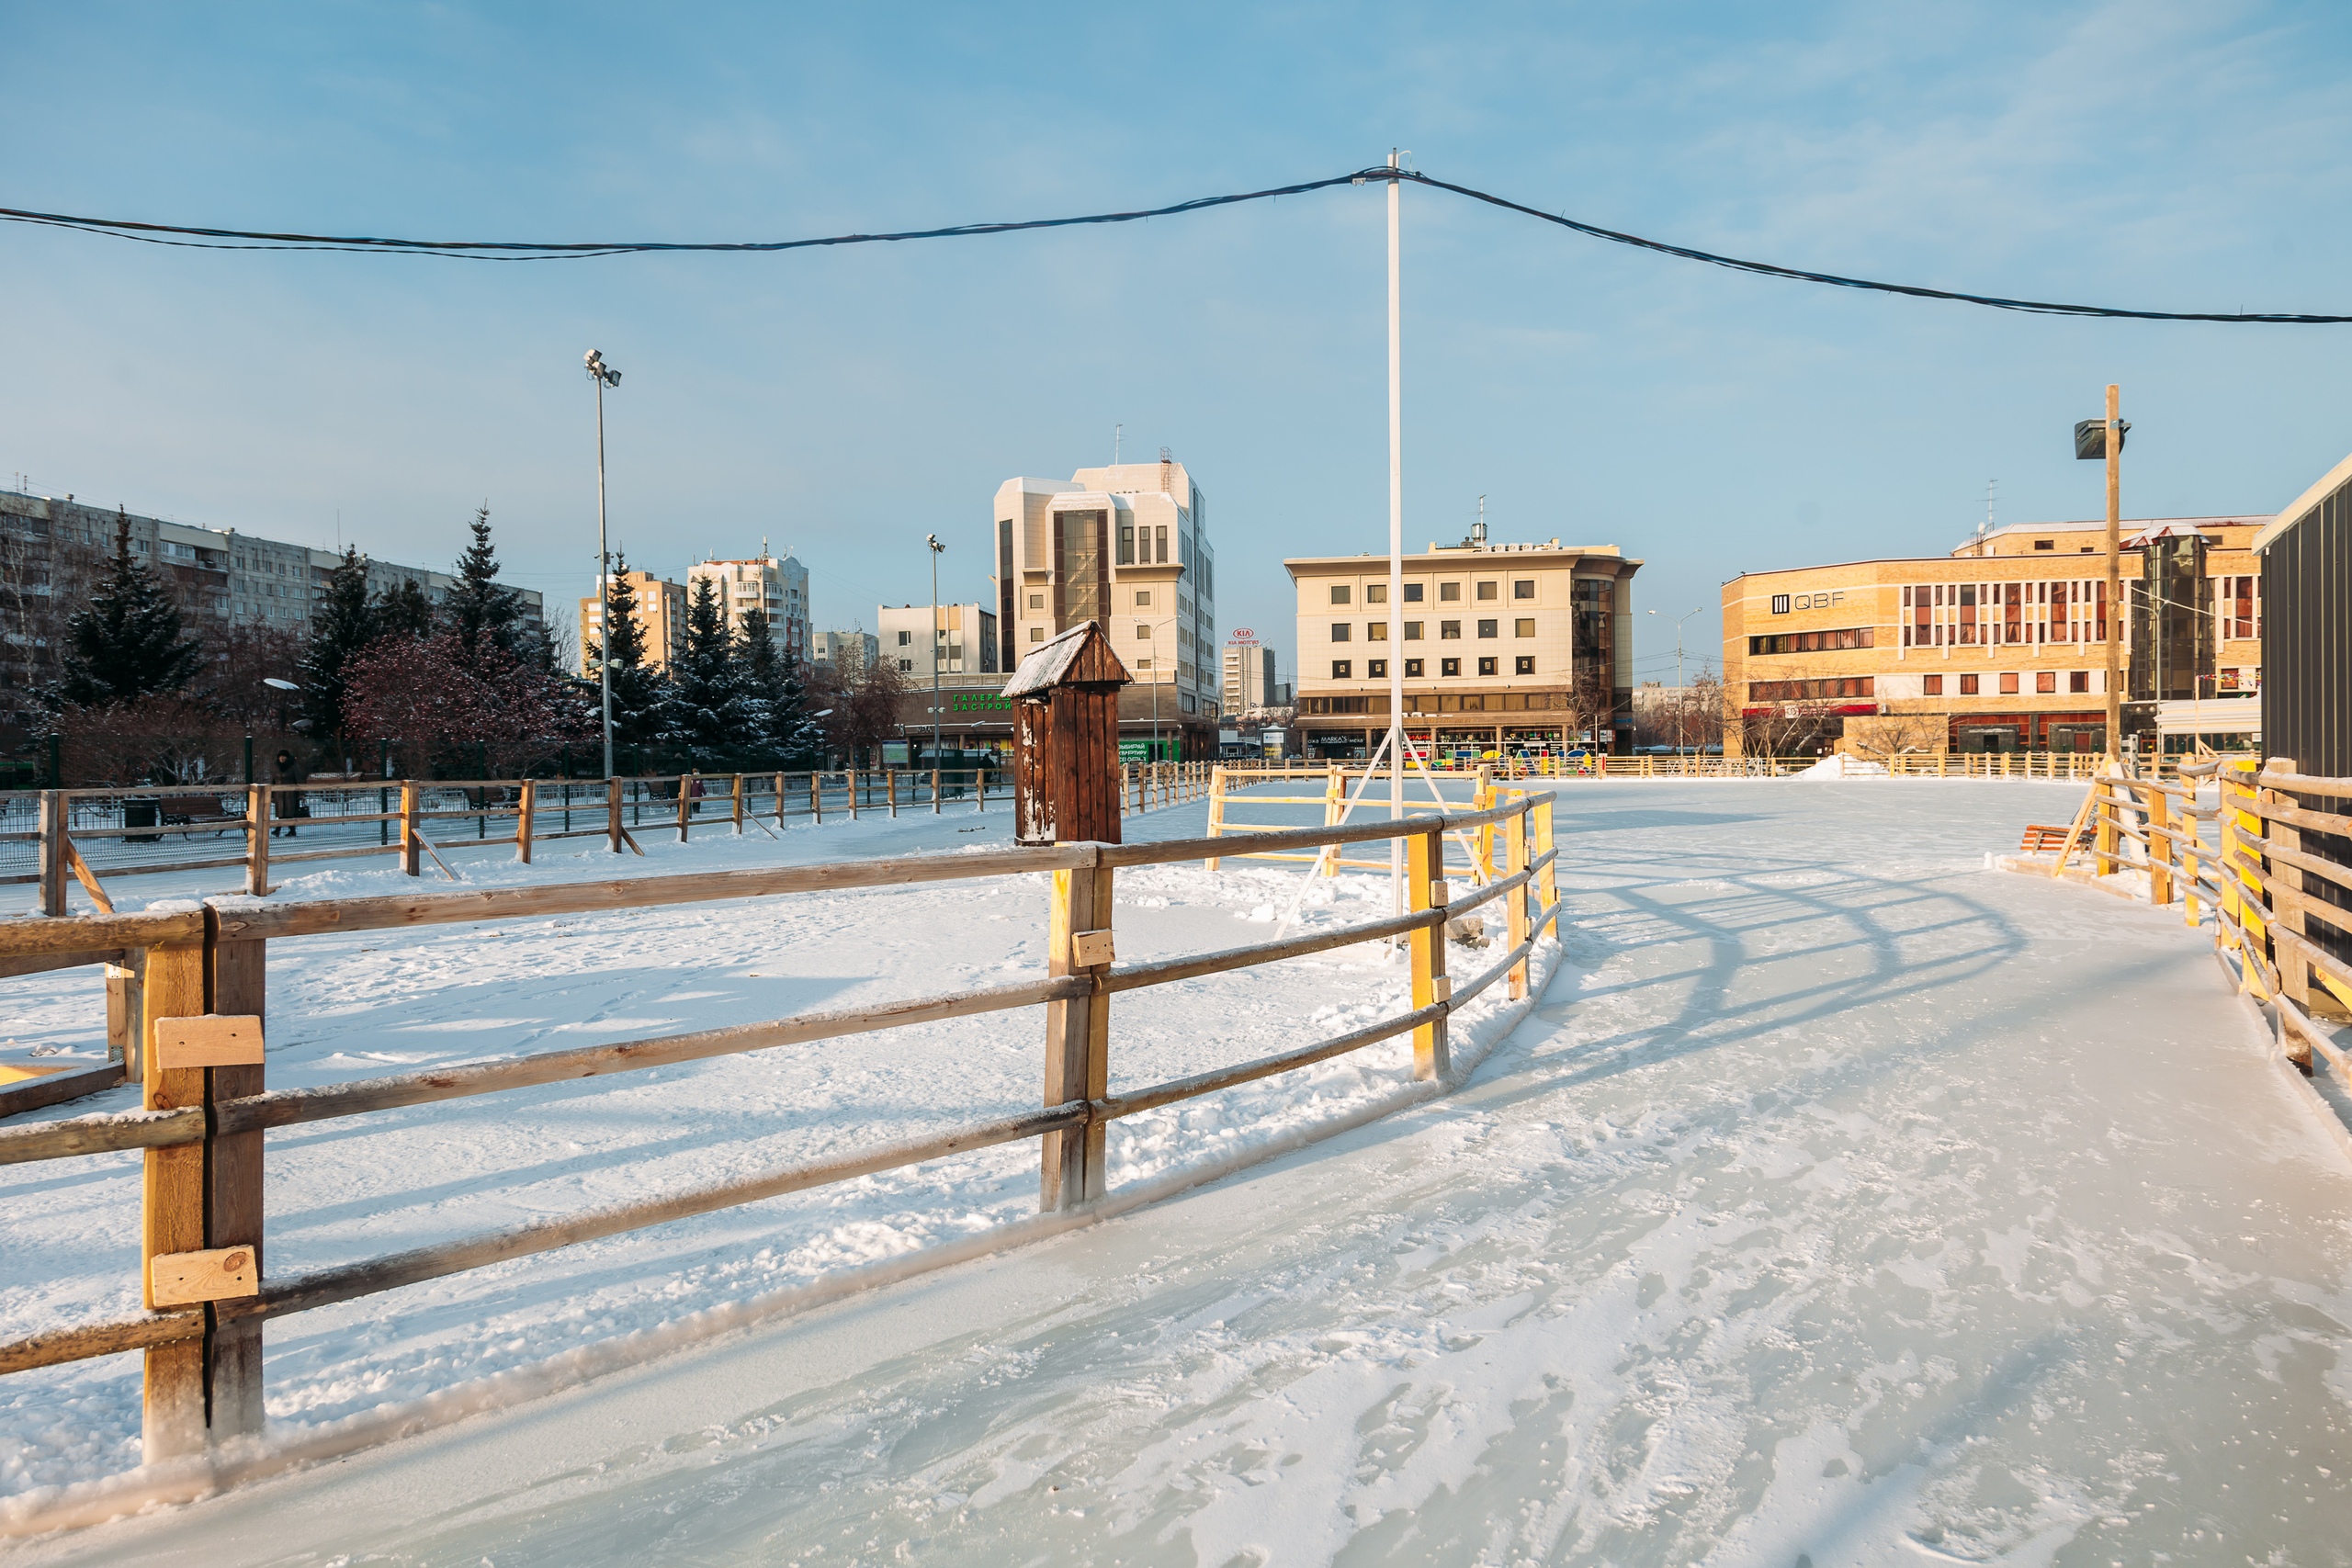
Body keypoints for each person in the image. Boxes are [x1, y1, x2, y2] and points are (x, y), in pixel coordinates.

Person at [272, 749, 306, 838]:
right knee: (281, 813)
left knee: (289, 813)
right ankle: (289, 830)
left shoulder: (293, 765)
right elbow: (273, 780)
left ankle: (280, 830)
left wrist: (301, 792)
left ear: (287, 758)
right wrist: (271, 794)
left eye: (284, 757)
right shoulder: (275, 766)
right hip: (279, 793)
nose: (282, 759)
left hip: (290, 793)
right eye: (280, 757)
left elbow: (299, 778)